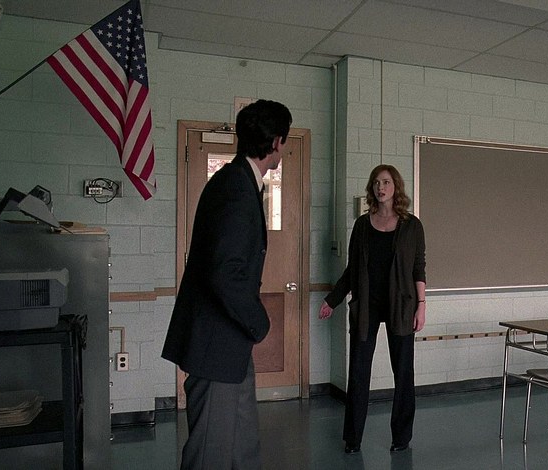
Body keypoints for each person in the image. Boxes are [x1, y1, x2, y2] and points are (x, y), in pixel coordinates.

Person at [162, 99, 292, 469]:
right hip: (216, 345)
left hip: (229, 345)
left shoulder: (239, 182)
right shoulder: (235, 187)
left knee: (242, 447)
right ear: (276, 142)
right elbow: (225, 273)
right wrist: (259, 322)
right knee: (211, 453)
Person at [319, 164, 427, 454]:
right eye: (377, 183)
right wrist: (332, 300)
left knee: (403, 373)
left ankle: (401, 438)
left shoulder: (412, 226)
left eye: (387, 182)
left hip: (401, 306)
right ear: (372, 188)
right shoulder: (362, 226)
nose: (381, 187)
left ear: (396, 187)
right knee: (358, 373)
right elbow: (351, 270)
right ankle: (352, 439)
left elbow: (418, 269)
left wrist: (421, 306)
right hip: (367, 306)